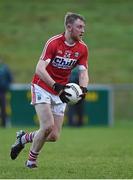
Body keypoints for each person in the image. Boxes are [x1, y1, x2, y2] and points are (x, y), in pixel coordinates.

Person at [10, 12, 89, 168]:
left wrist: (83, 88)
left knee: (53, 135)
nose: (83, 30)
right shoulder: (54, 43)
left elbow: (83, 71)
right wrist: (55, 86)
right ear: (69, 27)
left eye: (83, 27)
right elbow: (39, 68)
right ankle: (31, 162)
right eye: (79, 27)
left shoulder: (82, 48)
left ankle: (23, 138)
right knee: (47, 126)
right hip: (42, 86)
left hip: (60, 91)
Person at [0, 59, 13, 127]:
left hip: (2, 91)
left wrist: (7, 86)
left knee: (3, 107)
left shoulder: (5, 68)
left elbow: (10, 78)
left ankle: (4, 124)